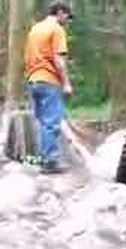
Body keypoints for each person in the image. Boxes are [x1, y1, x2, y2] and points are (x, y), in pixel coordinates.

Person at [24, 1, 74, 173]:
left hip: (33, 80)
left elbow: (28, 56)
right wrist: (66, 83)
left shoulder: (35, 29)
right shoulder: (57, 30)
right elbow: (59, 60)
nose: (67, 21)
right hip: (49, 80)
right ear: (60, 12)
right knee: (52, 122)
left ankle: (43, 157)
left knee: (42, 122)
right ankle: (50, 161)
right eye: (67, 16)